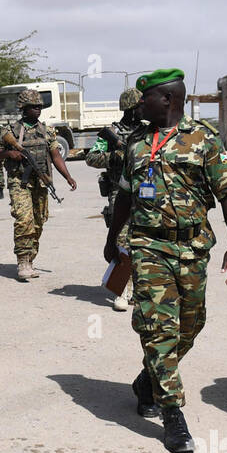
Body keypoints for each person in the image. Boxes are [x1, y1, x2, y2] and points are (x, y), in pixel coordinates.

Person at [104, 68, 227, 453]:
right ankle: (173, 414)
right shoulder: (136, 145)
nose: (138, 104)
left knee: (191, 323)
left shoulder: (203, 139)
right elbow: (125, 198)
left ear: (166, 99)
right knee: (158, 328)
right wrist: (112, 239)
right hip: (148, 248)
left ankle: (148, 380)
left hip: (193, 247)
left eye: (145, 97)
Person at [0, 88, 77, 280]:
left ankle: (30, 258)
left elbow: (56, 156)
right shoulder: (11, 131)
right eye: (34, 107)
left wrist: (68, 177)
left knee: (39, 222)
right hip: (19, 182)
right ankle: (22, 261)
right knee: (24, 220)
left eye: (39, 106)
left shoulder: (47, 131)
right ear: (24, 108)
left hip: (41, 182)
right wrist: (10, 154)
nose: (38, 110)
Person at [86, 88, 142, 311]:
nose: (142, 110)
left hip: (144, 191)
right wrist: (117, 155)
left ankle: (138, 288)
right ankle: (122, 289)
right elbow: (92, 158)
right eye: (138, 107)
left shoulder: (148, 131)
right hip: (119, 191)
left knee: (143, 241)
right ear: (130, 109)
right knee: (122, 241)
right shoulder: (111, 132)